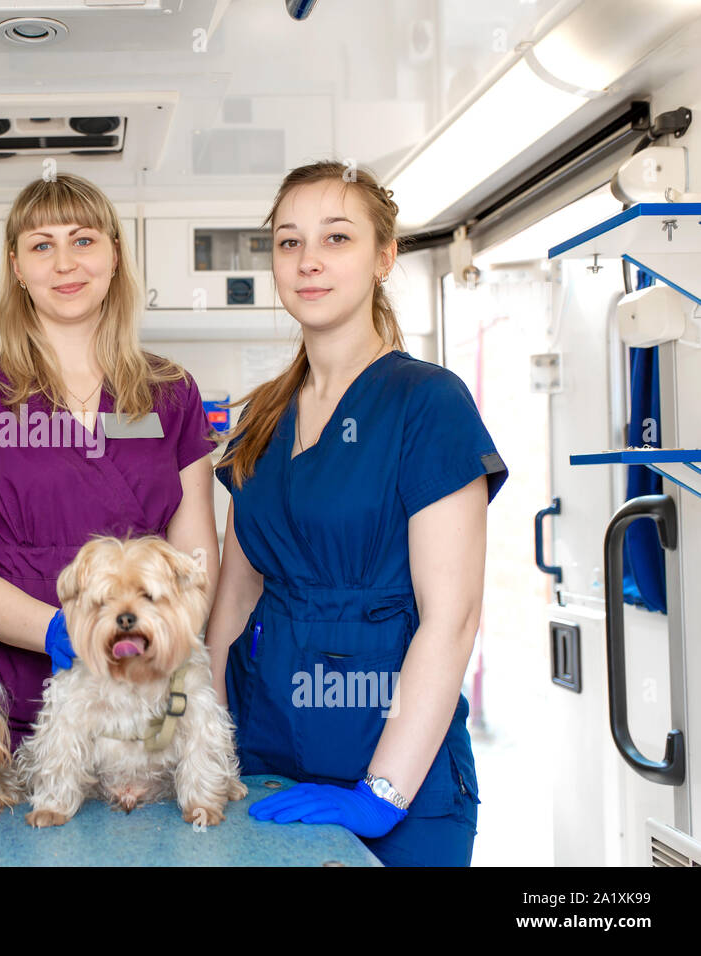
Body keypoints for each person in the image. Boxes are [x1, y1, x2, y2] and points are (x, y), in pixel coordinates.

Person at [203, 160, 508, 867]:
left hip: (399, 770)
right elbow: (232, 606)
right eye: (288, 242)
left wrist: (383, 791)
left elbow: (452, 617)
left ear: (384, 255)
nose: (308, 261)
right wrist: (209, 753)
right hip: (264, 760)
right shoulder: (259, 423)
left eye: (336, 238)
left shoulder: (427, 405)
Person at [0, 171, 220, 749]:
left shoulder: (172, 392)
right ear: (17, 267)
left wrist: (157, 650)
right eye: (41, 245)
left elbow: (196, 561)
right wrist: (66, 631)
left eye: (83, 240)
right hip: (9, 709)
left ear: (114, 255)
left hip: (147, 710)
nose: (64, 263)